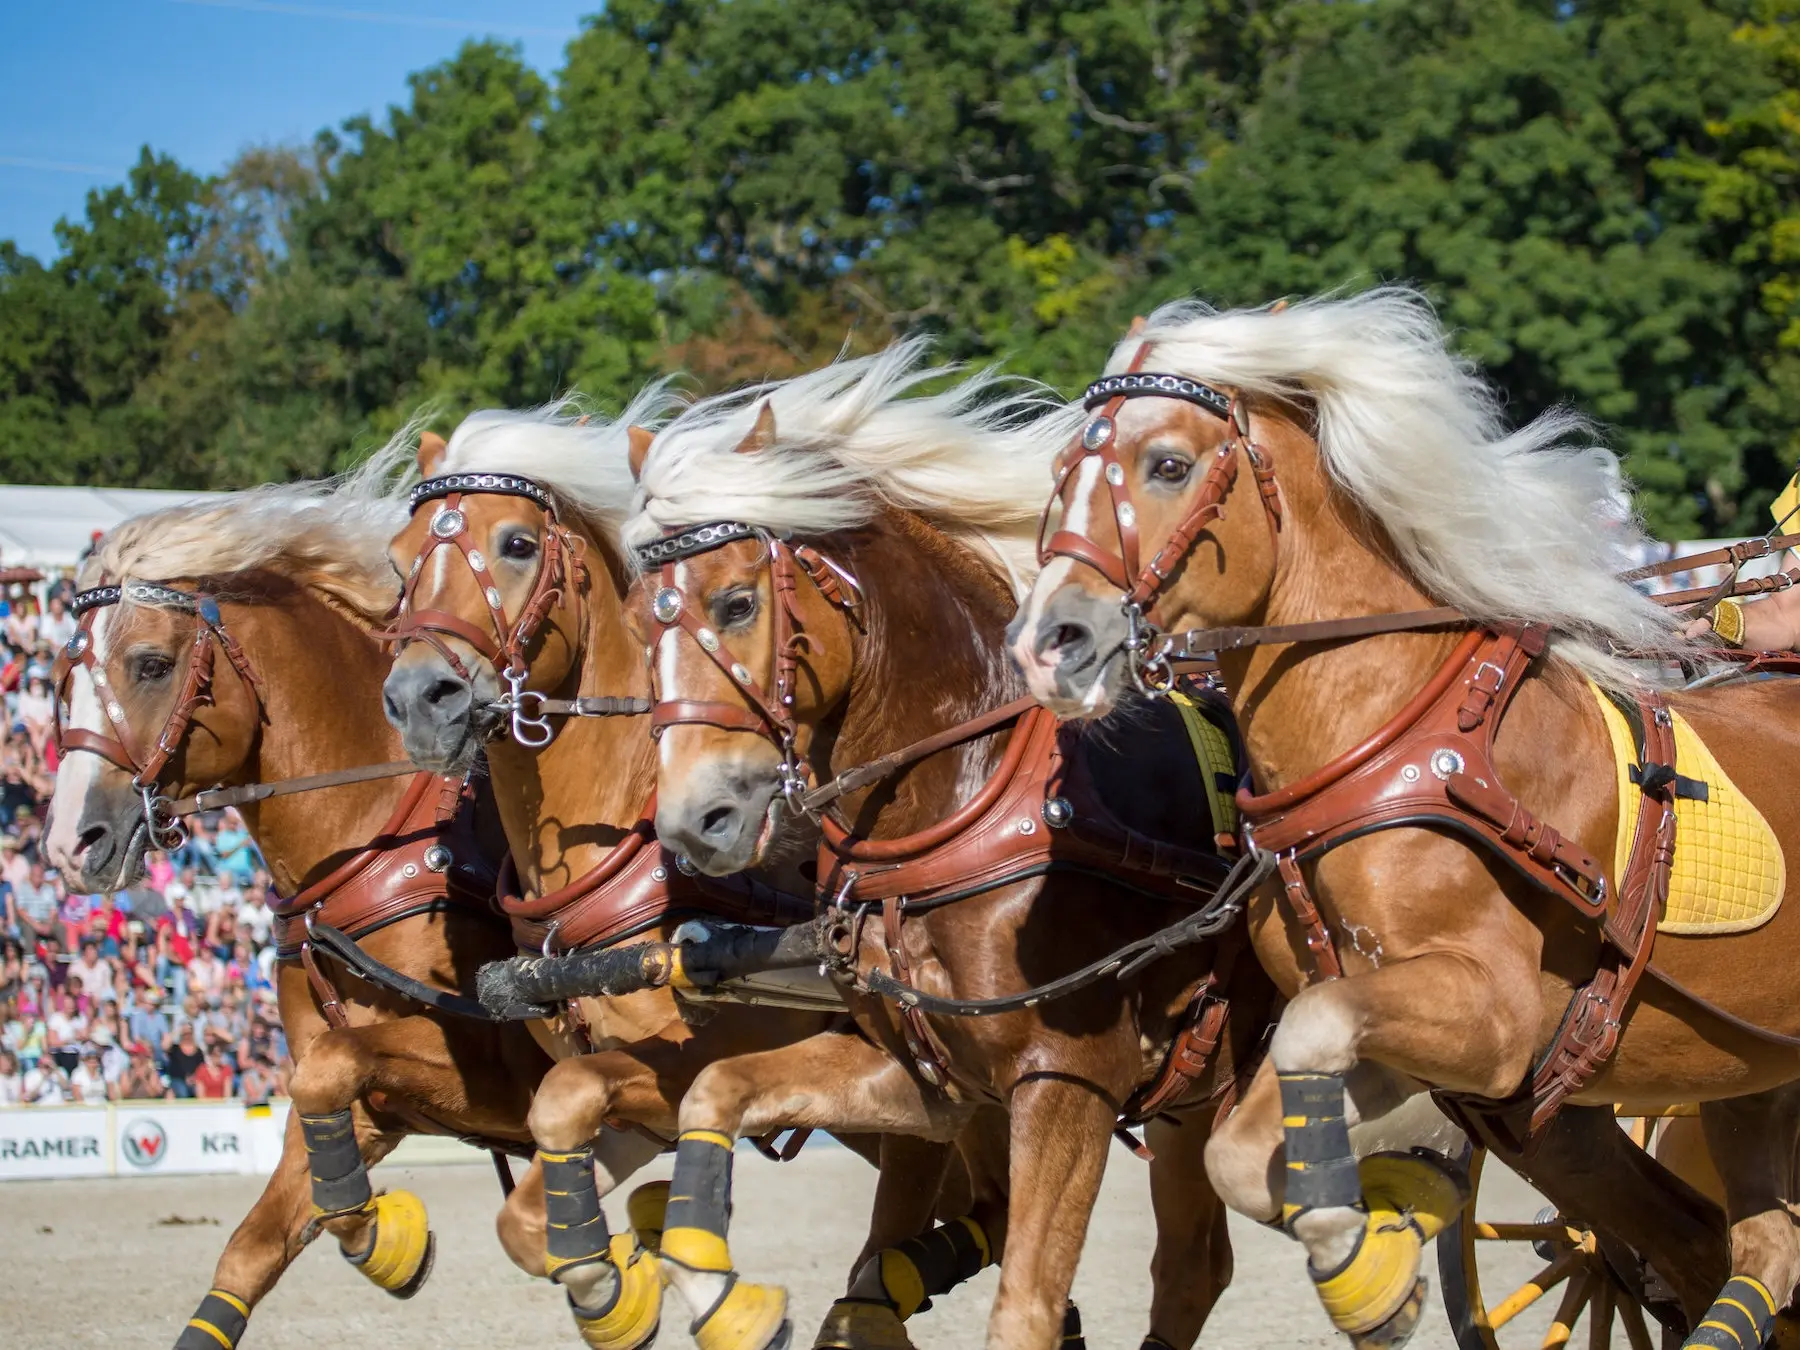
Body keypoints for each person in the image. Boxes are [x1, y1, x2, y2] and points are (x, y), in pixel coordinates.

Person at [165, 1024, 204, 1099]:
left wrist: (194, 1077)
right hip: (177, 1079)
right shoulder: (174, 1048)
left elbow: (201, 1067)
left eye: (189, 1033)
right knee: (183, 1092)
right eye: (184, 1033)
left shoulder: (198, 1051)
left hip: (194, 1080)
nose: (187, 1036)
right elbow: (165, 1046)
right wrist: (177, 1031)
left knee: (199, 1090)